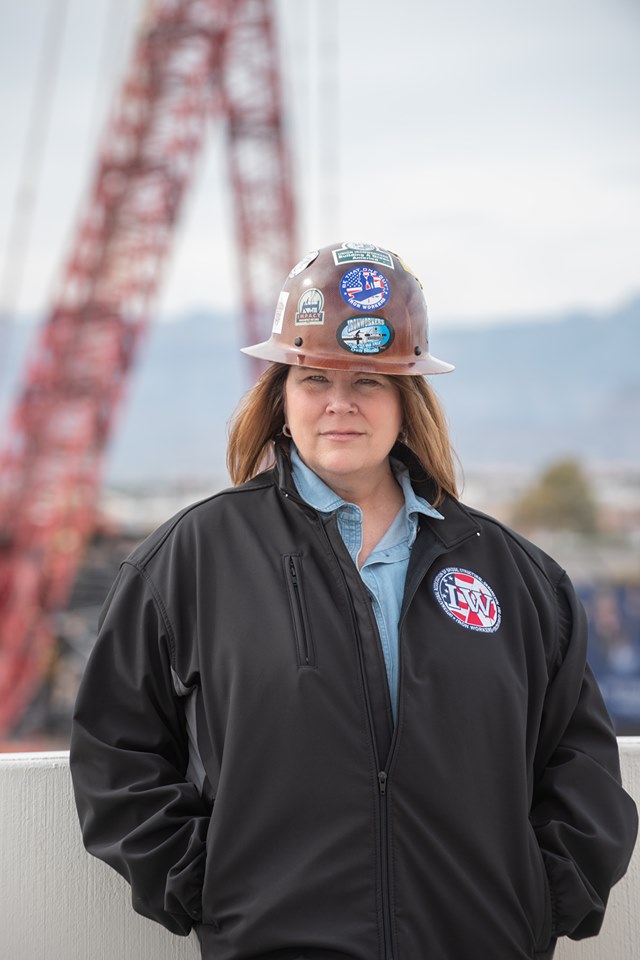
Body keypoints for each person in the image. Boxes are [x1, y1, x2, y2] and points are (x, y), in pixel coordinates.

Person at [70, 240, 638, 960]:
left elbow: (581, 764)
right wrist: (205, 887)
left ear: (408, 398)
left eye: (368, 380)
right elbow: (114, 752)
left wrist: (539, 901)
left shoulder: (518, 578)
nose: (339, 403)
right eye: (313, 378)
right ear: (280, 397)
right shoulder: (191, 561)